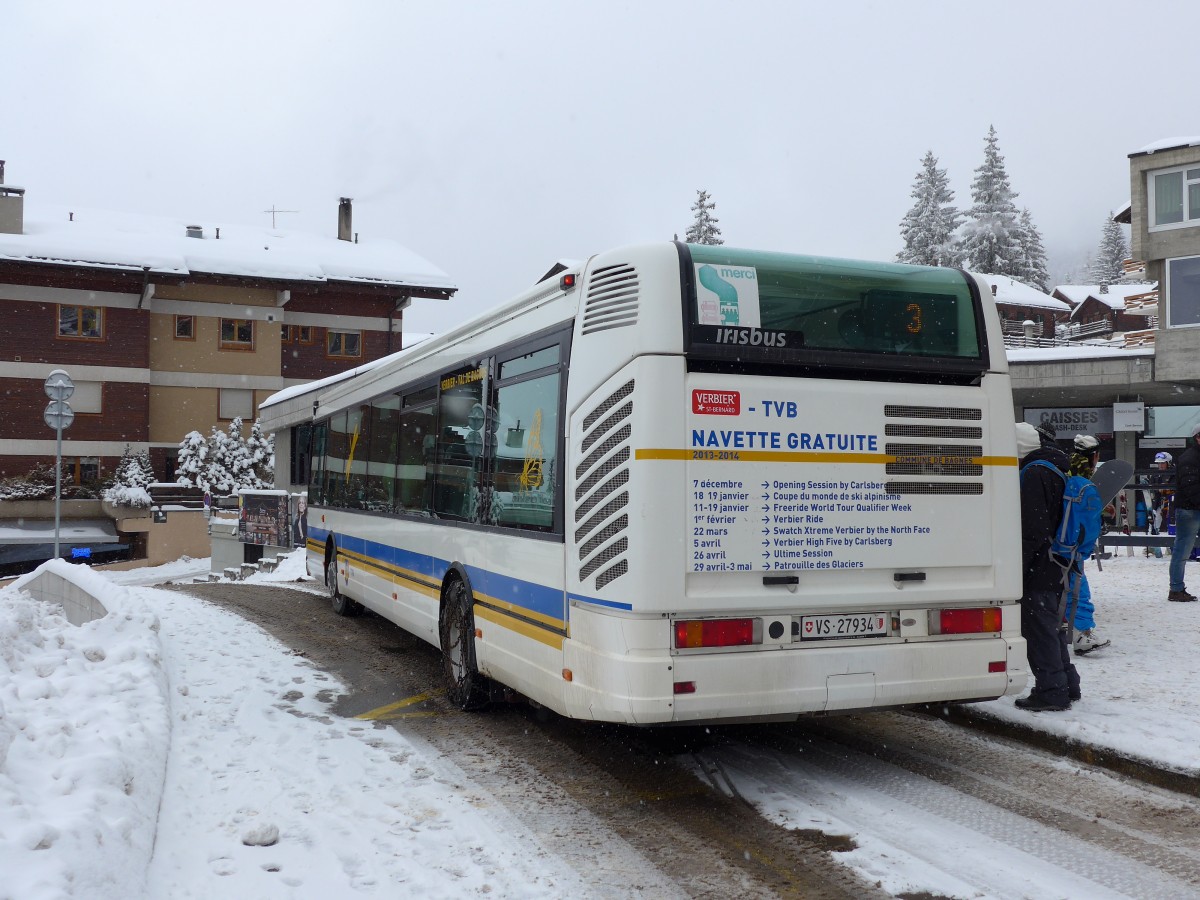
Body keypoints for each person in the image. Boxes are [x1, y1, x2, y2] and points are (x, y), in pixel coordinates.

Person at [1015, 422, 1080, 711]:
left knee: (1039, 629)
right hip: (1057, 560)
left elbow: (1032, 529)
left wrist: (1019, 567)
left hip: (1038, 564)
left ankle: (1051, 691)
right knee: (1050, 626)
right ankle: (1068, 684)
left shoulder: (1032, 473)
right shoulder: (1056, 468)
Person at [1067, 435, 1111, 656]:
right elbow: (1087, 524)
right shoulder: (1086, 487)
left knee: (1064, 591)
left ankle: (1068, 630)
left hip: (1056, 547)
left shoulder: (1065, 478)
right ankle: (1083, 634)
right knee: (1078, 592)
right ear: (1095, 457)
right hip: (1073, 549)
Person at [1168, 424, 1200, 602]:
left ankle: (1176, 589)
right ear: (1197, 437)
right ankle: (1176, 589)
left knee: (1182, 551)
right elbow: (1191, 487)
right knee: (1182, 551)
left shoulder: (1191, 457)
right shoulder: (1190, 458)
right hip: (1190, 510)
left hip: (1190, 509)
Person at [1146, 451, 1174, 558]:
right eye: (1159, 463)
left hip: (1171, 503)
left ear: (1168, 463)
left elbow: (1175, 488)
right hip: (1158, 502)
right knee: (1153, 521)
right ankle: (1152, 546)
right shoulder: (1156, 475)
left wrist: (1166, 489)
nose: (1161, 465)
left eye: (1163, 463)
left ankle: (1170, 547)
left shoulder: (1174, 473)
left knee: (1171, 525)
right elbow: (1152, 488)